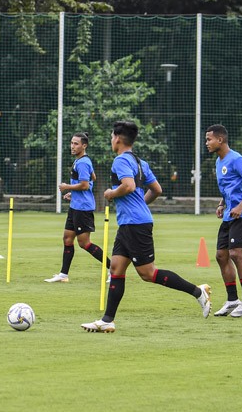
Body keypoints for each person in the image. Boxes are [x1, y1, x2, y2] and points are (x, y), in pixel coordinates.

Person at [81, 121, 210, 332]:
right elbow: (157, 189)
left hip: (135, 224)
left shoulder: (120, 161)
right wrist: (140, 205)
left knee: (148, 273)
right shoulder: (140, 162)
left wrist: (111, 193)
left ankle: (198, 292)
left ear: (118, 139)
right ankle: (107, 320)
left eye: (112, 136)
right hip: (129, 223)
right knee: (116, 268)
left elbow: (128, 186)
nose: (111, 140)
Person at [205, 124, 242, 317]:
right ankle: (232, 300)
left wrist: (241, 205)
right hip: (229, 215)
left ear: (220, 139)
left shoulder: (237, 159)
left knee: (235, 253)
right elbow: (230, 187)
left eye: (209, 139)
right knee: (221, 255)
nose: (207, 143)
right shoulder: (219, 161)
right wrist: (221, 204)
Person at [46, 132, 109, 283]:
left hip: (83, 208)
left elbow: (85, 184)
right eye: (72, 143)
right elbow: (93, 177)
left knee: (84, 243)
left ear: (84, 146)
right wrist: (73, 193)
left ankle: (113, 269)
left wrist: (67, 187)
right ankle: (63, 275)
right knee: (67, 239)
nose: (72, 146)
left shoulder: (83, 163)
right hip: (75, 206)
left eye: (76, 144)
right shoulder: (80, 160)